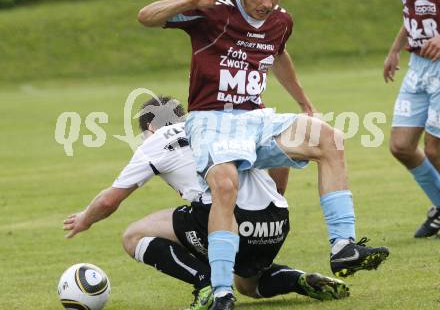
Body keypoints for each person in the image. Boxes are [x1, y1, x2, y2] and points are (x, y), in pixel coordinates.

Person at [138, 0, 389, 309]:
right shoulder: (211, 11)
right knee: (225, 186)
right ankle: (222, 291)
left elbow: (278, 54)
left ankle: (343, 246)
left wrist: (304, 103)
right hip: (211, 120)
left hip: (256, 119)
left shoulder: (280, 21)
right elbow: (146, 17)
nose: (268, 3)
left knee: (329, 139)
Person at [63, 96, 350, 310]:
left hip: (230, 217)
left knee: (134, 235)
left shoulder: (157, 139)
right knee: (247, 284)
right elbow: (281, 163)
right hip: (276, 223)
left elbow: (111, 199)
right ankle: (298, 280)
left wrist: (85, 218)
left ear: (150, 128)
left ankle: (206, 284)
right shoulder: (218, 126)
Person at [384, 0, 440, 238]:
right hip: (418, 63)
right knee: (401, 146)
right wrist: (394, 50)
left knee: (434, 149)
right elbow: (411, 13)